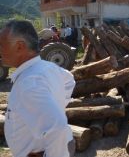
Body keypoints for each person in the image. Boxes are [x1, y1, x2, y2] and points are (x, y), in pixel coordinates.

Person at [0, 20, 76, 157]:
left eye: (2, 45)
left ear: (19, 46)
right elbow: (70, 80)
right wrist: (57, 106)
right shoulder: (47, 67)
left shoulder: (28, 83)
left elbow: (58, 129)